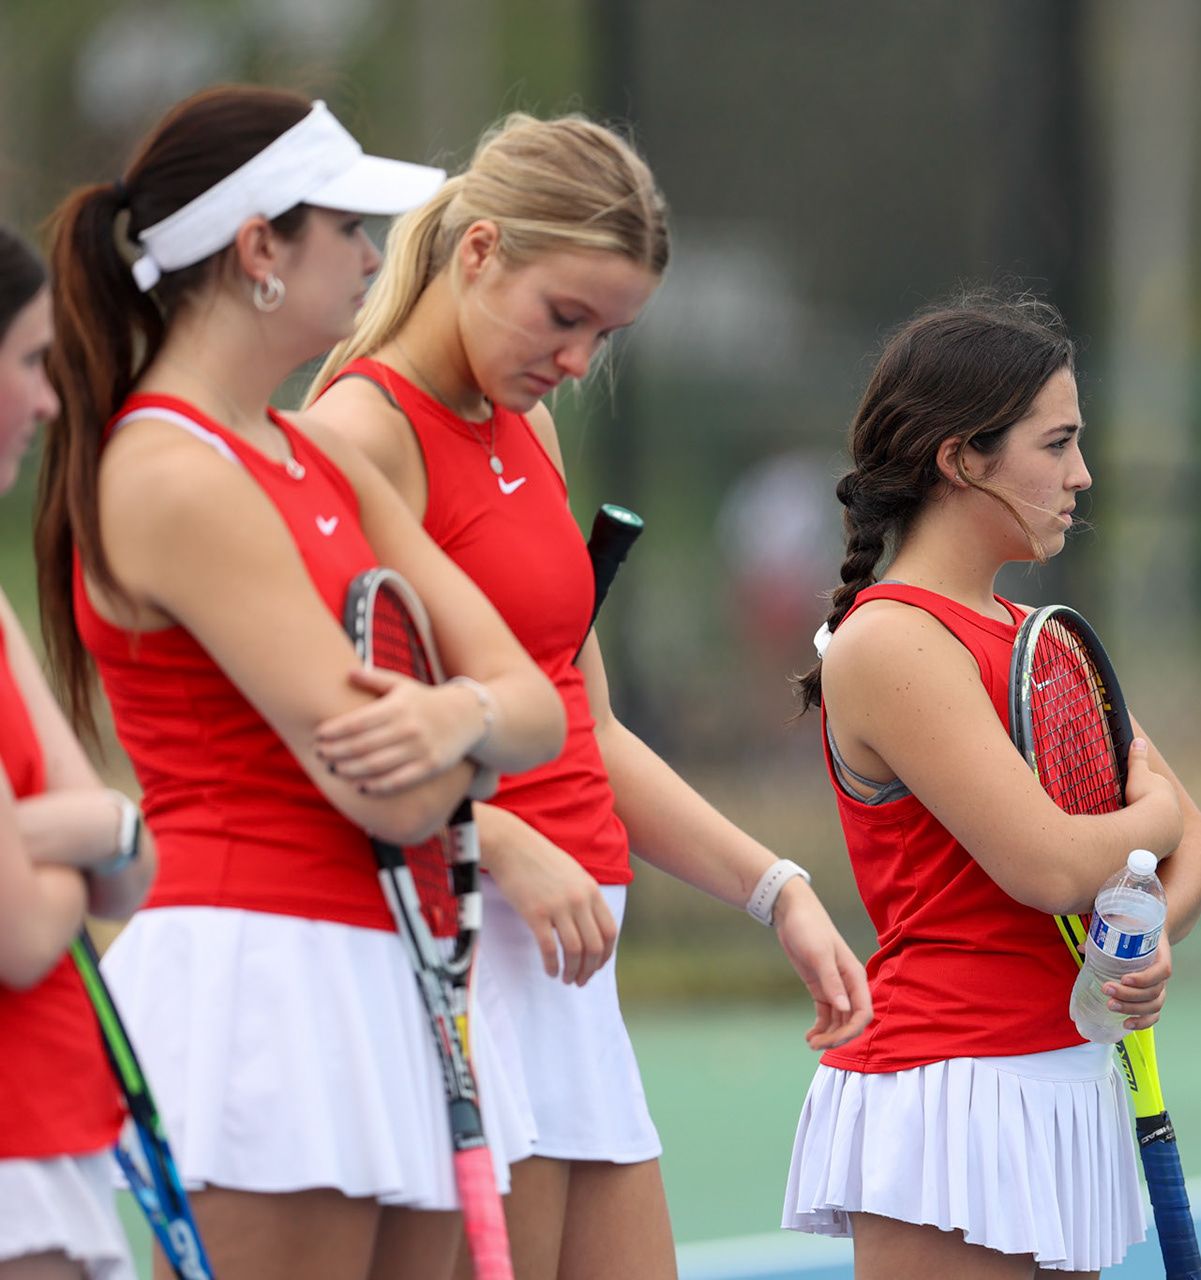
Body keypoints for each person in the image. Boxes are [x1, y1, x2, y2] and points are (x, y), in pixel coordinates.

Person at [300, 112, 873, 1280]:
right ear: (478, 251)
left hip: (573, 966)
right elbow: (319, 733)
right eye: (565, 316)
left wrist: (778, 889)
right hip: (469, 956)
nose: (576, 361)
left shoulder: (531, 425)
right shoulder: (359, 430)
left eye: (604, 335)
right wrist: (495, 837)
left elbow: (587, 725)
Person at [37, 87, 567, 1280]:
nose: (376, 258)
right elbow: (390, 790)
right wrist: (478, 736)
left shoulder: (314, 445)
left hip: (388, 965)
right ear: (258, 250)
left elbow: (536, 703)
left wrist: (460, 719)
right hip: (264, 987)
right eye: (348, 229)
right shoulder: (170, 472)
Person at [783, 294, 1201, 1278]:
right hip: (953, 1087)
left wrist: (1141, 941)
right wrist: (1151, 817)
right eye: (1056, 443)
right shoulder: (892, 639)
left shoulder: (1037, 638)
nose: (1082, 473)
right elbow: (1053, 867)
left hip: (1065, 1071)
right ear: (962, 459)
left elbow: (1198, 851)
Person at [0, 222, 158, 1280]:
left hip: (57, 1132)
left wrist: (58, 830)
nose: (50, 400)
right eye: (27, 362)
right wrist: (89, 831)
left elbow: (130, 862)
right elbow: (19, 933)